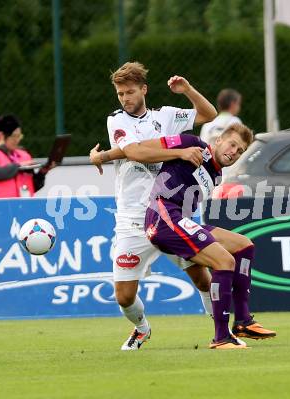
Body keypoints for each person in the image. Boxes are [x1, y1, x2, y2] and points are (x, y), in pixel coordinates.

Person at [93, 124, 276, 349]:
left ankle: (242, 321)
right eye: (232, 144)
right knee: (224, 261)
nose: (234, 152)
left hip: (179, 221)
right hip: (162, 217)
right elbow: (137, 149)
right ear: (218, 140)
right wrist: (103, 156)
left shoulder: (216, 174)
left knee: (244, 246)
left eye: (240, 151)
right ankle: (221, 337)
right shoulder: (192, 144)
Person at [92, 61, 217, 351]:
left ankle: (222, 332)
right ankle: (142, 329)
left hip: (170, 213)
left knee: (202, 277)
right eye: (120, 93)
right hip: (133, 220)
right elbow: (134, 152)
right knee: (123, 296)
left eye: (130, 92)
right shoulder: (117, 121)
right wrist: (181, 151)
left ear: (144, 90)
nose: (125, 98)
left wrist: (187, 90)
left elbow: (208, 114)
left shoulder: (167, 116)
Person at [0, 115, 53, 198]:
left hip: (24, 206)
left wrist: (42, 172)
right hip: (2, 208)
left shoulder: (24, 155)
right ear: (1, 135)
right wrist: (19, 166)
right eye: (14, 136)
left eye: (19, 136)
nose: (18, 140)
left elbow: (33, 186)